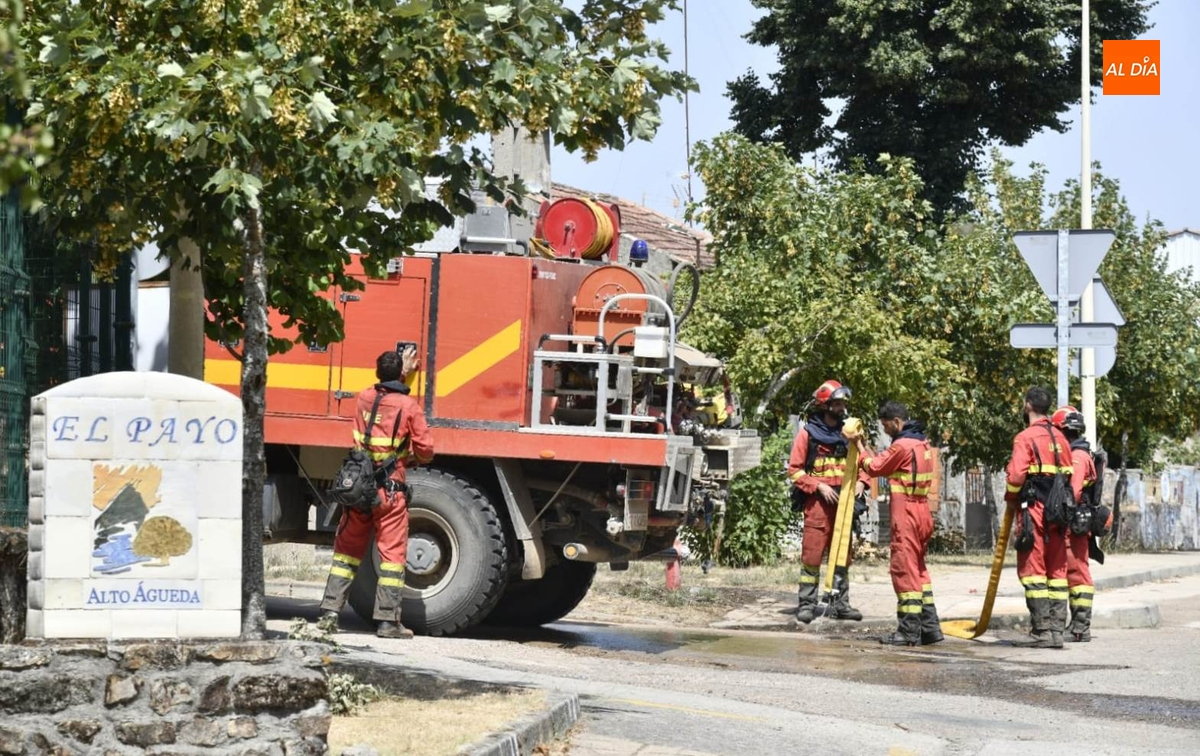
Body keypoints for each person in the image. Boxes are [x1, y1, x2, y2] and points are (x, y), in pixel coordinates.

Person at [319, 347, 434, 638]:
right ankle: (387, 622)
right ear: (400, 373)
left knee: (346, 553)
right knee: (392, 556)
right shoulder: (409, 407)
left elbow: (381, 401)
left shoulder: (364, 397)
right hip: (389, 491)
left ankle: (330, 614)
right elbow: (426, 451)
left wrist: (400, 375)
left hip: (358, 488)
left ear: (377, 372)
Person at [849, 401, 943, 646]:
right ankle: (930, 629)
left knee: (904, 571)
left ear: (896, 421)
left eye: (885, 425)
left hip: (907, 515)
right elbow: (884, 461)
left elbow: (874, 466)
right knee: (920, 571)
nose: (885, 430)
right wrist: (867, 445)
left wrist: (857, 444)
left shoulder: (901, 446)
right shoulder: (922, 443)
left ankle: (908, 632)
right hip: (922, 512)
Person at [787, 380, 869, 623]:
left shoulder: (851, 433)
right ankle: (807, 605)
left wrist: (862, 482)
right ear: (825, 405)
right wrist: (818, 486)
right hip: (818, 504)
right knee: (812, 556)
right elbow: (794, 471)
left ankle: (840, 604)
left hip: (844, 505)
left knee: (843, 554)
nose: (842, 406)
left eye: (843, 402)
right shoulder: (808, 434)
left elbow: (866, 461)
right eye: (838, 402)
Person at [1004, 387, 1073, 649]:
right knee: (1057, 570)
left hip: (1034, 509)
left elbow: (1016, 477)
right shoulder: (1063, 439)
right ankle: (1056, 631)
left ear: (1027, 405)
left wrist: (1011, 499)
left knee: (1033, 571)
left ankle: (1042, 631)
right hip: (1060, 512)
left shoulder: (1025, 438)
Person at [1052, 405, 1098, 642]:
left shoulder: (1078, 457)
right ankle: (1076, 626)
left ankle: (1080, 627)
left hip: (1075, 524)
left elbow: (1074, 492)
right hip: (1074, 523)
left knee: (1077, 572)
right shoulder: (1077, 453)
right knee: (1072, 571)